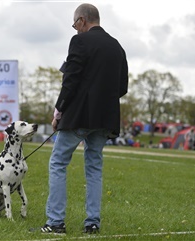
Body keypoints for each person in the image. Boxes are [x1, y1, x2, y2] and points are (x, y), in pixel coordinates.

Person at [36, 3, 128, 235]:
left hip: (77, 116)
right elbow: (122, 87)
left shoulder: (79, 41)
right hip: (104, 119)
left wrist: (59, 111)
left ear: (82, 21)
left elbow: (71, 80)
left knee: (58, 163)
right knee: (94, 167)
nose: (75, 29)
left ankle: (55, 222)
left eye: (75, 24)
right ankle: (92, 224)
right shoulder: (117, 47)